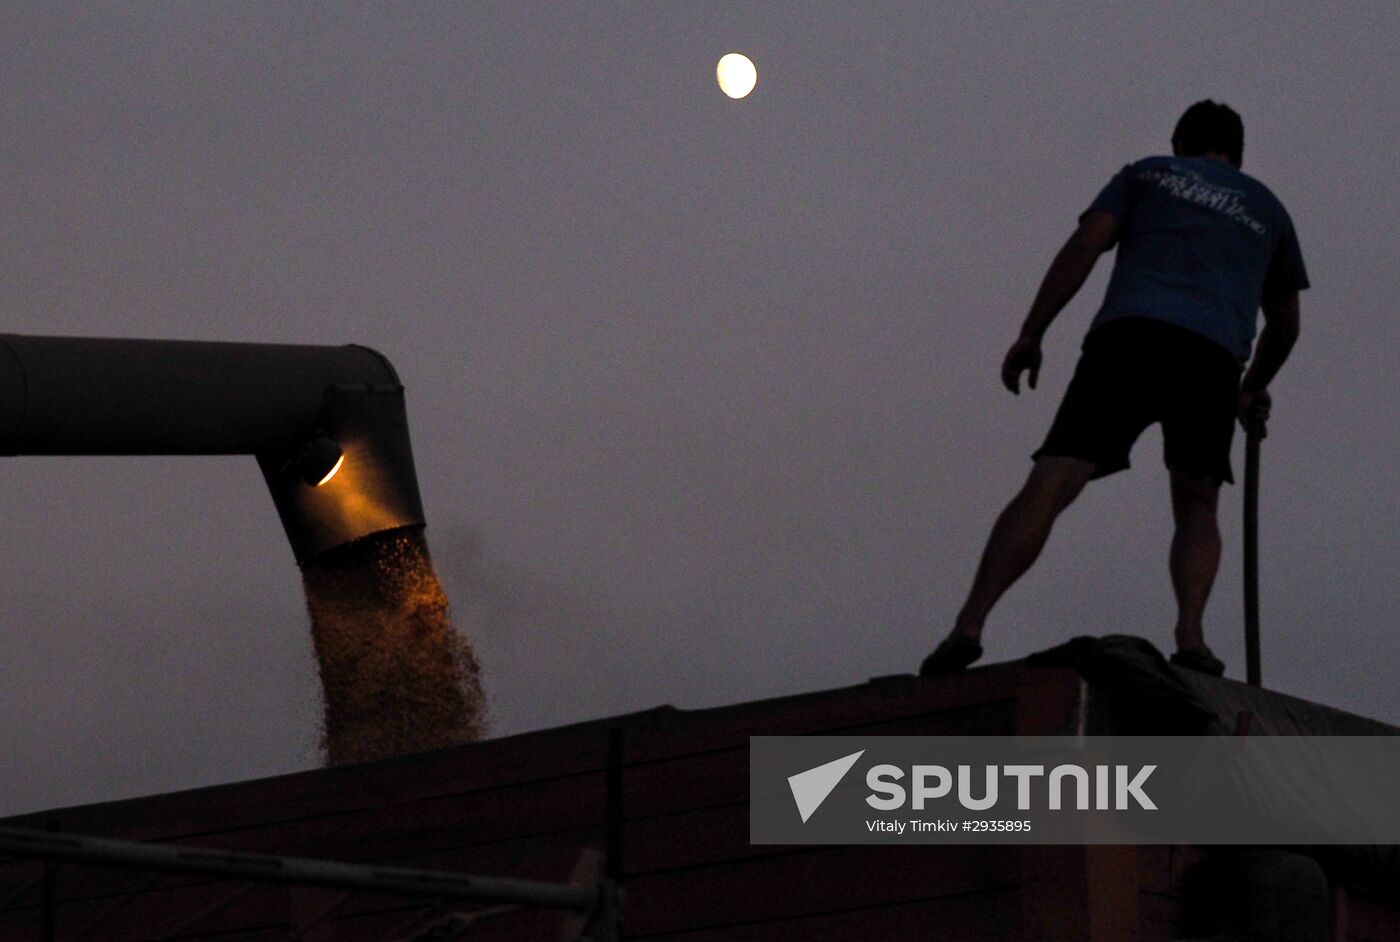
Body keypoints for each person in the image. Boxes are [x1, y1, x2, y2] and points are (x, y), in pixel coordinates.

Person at [921, 100, 1308, 678]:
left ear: (1179, 144)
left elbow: (1085, 244)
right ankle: (1192, 639)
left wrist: (1033, 332)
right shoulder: (1269, 210)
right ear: (1238, 155)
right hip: (1212, 356)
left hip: (1129, 337)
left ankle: (969, 624)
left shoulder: (1146, 174)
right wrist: (1249, 389)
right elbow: (1286, 324)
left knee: (1052, 481)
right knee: (1198, 502)